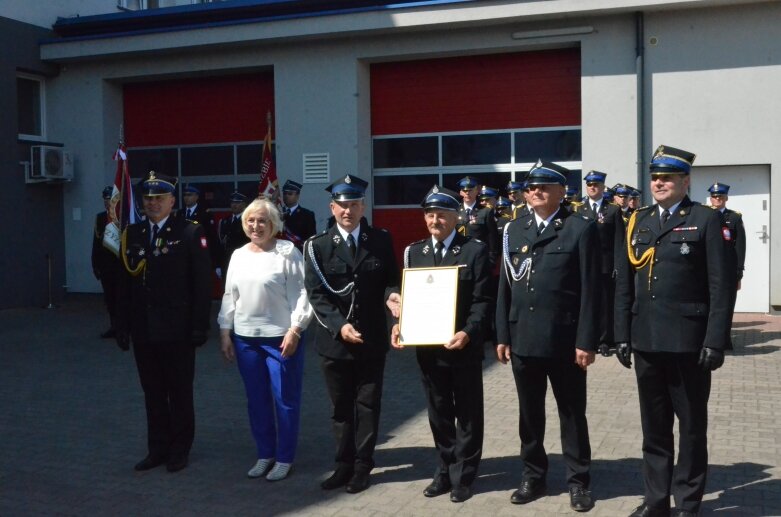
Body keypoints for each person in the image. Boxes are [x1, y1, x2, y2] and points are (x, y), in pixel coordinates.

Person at [614, 145, 732, 517]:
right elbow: (623, 284)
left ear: (685, 181)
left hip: (688, 343)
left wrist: (715, 340)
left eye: (667, 177)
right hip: (646, 340)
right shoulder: (639, 220)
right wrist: (621, 333)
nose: (659, 183)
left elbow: (721, 286)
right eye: (654, 177)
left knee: (692, 428)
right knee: (654, 429)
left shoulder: (705, 219)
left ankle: (687, 503)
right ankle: (656, 501)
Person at [495, 160, 600, 513]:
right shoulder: (514, 230)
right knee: (530, 414)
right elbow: (504, 288)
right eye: (530, 188)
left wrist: (586, 341)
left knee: (572, 414)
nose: (535, 192)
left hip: (564, 341)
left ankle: (578, 481)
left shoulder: (579, 228)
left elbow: (590, 290)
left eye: (543, 187)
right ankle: (533, 475)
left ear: (561, 191)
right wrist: (502, 334)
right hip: (523, 337)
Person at [390, 185, 491, 503]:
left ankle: (465, 475)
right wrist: (400, 325)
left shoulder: (474, 250)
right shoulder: (414, 252)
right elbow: (405, 293)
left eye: (442, 214)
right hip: (428, 349)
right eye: (430, 214)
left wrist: (469, 332)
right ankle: (444, 470)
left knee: (468, 413)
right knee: (439, 412)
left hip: (462, 347)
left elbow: (483, 301)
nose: (435, 220)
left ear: (456, 217)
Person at [304, 174, 400, 494]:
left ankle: (363, 466)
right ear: (332, 208)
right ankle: (343, 464)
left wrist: (393, 296)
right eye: (342, 205)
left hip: (372, 339)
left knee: (368, 405)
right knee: (341, 408)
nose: (348, 211)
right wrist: (339, 326)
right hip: (335, 342)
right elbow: (316, 295)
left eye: (354, 205)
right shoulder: (317, 246)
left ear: (362, 206)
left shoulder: (381, 240)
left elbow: (391, 279)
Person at [115, 171, 212, 473]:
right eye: (148, 199)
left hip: (177, 330)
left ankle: (179, 449)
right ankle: (157, 448)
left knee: (179, 392)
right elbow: (124, 285)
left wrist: (199, 326)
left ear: (172, 200)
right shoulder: (133, 233)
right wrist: (121, 324)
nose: (153, 203)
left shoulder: (189, 232)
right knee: (153, 392)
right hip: (144, 330)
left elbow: (202, 285)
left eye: (159, 198)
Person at [218, 198, 312, 482]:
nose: (256, 226)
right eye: (251, 220)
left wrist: (295, 330)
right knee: (256, 400)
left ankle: (284, 458)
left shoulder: (287, 252)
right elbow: (229, 296)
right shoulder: (238, 254)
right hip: (246, 339)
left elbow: (302, 295)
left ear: (274, 224)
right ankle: (265, 454)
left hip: (281, 339)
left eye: (262, 221)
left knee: (285, 400)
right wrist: (225, 331)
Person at [572, 170, 625, 353]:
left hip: (604, 265)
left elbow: (619, 240)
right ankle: (588, 337)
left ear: (603, 187)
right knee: (584, 302)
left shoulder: (613, 210)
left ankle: (604, 339)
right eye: (589, 184)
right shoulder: (578, 209)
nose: (592, 187)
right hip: (583, 264)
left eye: (596, 184)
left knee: (604, 304)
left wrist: (618, 265)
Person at [92, 185, 120, 338]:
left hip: (120, 266)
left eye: (109, 199)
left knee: (121, 298)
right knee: (109, 299)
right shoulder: (100, 218)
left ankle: (124, 327)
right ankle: (114, 326)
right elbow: (96, 243)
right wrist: (95, 264)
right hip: (106, 266)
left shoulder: (123, 217)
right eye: (105, 199)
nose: (107, 202)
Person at [708, 182, 745, 289]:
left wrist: (739, 270)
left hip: (728, 265)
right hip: (708, 266)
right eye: (714, 196)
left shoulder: (734, 218)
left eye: (721, 196)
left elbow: (740, 245)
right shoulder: (704, 217)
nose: (718, 199)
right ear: (711, 199)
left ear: (726, 198)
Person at [456, 176, 498, 268]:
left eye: (470, 190)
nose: (467, 193)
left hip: (480, 258)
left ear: (477, 191)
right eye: (464, 191)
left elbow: (492, 237)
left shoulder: (485, 211)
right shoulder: (455, 211)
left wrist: (491, 260)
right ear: (461, 192)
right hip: (459, 257)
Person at [218, 191, 250, 280]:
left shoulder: (248, 221)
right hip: (226, 262)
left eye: (238, 202)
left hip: (243, 262)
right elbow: (221, 245)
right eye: (232, 202)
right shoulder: (225, 221)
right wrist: (218, 264)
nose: (234, 205)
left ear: (244, 204)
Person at [280, 179, 317, 250]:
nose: (286, 196)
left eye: (290, 194)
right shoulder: (277, 212)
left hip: (299, 252)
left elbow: (311, 239)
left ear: (297, 196)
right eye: (285, 193)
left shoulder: (307, 215)